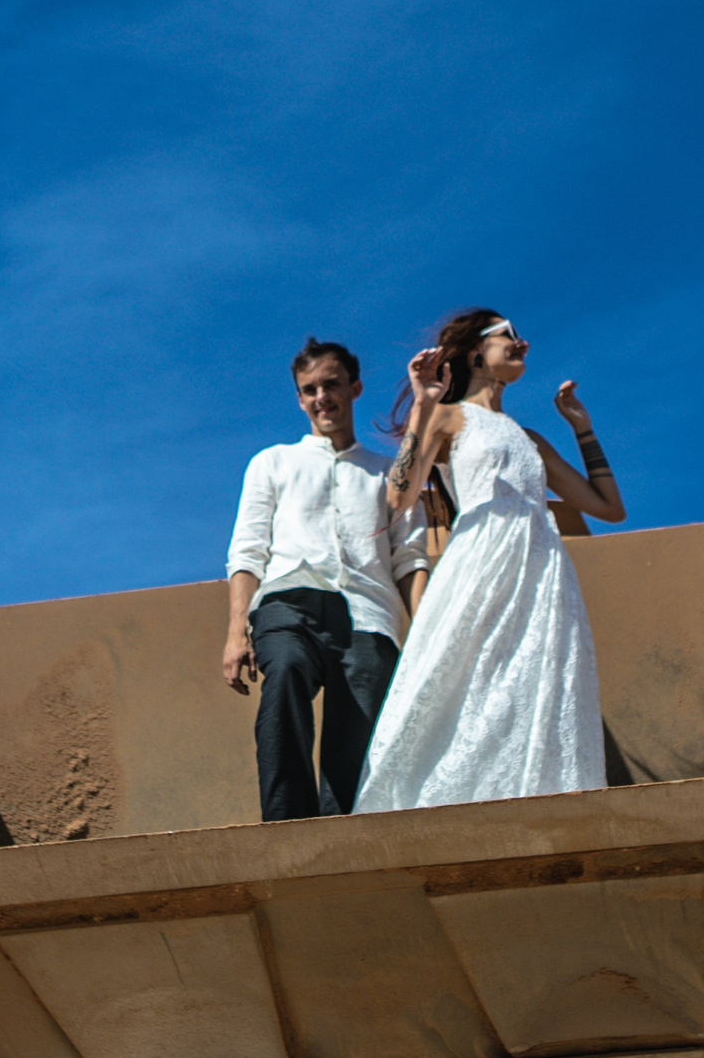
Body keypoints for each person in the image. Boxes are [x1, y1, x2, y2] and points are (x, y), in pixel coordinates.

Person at [353, 308, 625, 812]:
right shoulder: (451, 417)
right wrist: (422, 404)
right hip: (481, 554)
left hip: (541, 566)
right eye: (508, 336)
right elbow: (398, 497)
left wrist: (582, 428)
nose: (521, 343)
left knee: (535, 675)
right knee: (468, 671)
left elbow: (609, 509)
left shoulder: (531, 439)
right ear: (477, 351)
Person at [222, 338, 431, 821]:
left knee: (355, 742)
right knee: (286, 678)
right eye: (309, 389)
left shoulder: (388, 475)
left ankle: (338, 838)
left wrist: (423, 631)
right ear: (299, 398)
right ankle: (285, 825)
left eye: (331, 385)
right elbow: (247, 550)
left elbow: (409, 556)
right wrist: (236, 631)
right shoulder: (272, 462)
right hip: (287, 604)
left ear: (354, 388)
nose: (322, 398)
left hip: (369, 616)